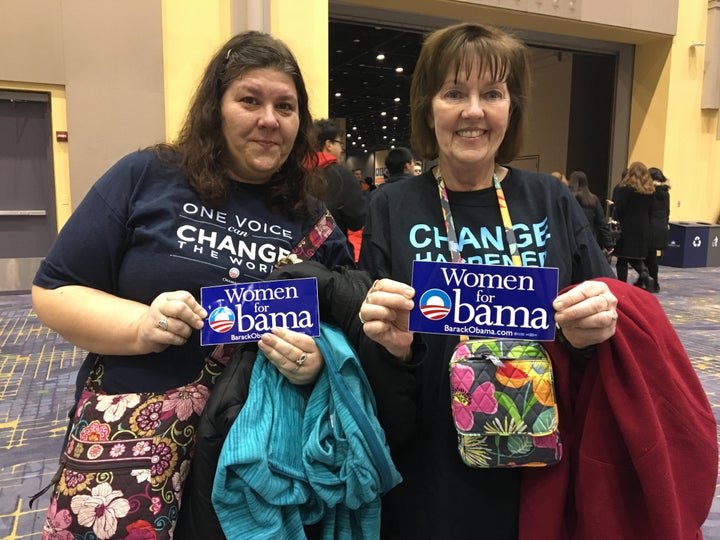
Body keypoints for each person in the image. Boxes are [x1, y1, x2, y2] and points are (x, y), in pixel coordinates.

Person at [31, 29, 353, 533]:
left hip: (260, 460)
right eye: (250, 100)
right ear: (215, 107)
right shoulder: (147, 176)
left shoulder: (316, 222)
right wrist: (141, 324)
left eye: (285, 107)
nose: (269, 120)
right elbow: (55, 290)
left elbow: (337, 336)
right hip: (136, 440)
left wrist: (316, 362)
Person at [356, 22, 621, 539]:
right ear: (428, 108)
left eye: (492, 94)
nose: (473, 111)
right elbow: (374, 370)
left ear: (511, 108)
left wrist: (592, 331)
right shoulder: (391, 205)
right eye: (454, 92)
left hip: (538, 470)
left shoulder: (550, 200)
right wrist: (393, 350)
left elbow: (605, 328)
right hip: (428, 470)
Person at [312, 118, 367, 257]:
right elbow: (357, 220)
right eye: (339, 143)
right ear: (329, 144)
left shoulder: (295, 171)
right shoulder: (341, 176)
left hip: (297, 256)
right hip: (331, 255)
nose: (342, 149)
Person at [612, 161, 655, 290]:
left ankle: (622, 285)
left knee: (622, 259)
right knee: (636, 257)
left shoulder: (625, 189)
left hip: (627, 228)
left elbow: (620, 207)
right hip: (643, 228)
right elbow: (651, 211)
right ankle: (645, 274)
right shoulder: (650, 191)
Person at [568, 170, 615, 256]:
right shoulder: (593, 200)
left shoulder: (568, 199)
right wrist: (609, 244)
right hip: (589, 241)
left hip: (570, 241)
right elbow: (602, 223)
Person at [645, 166, 671, 292]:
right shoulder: (665, 191)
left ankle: (650, 282)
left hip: (651, 226)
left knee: (648, 256)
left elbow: (647, 210)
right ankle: (654, 282)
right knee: (653, 255)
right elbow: (667, 211)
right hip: (661, 226)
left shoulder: (651, 192)